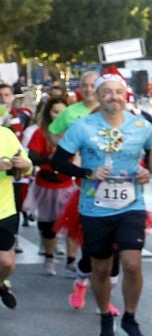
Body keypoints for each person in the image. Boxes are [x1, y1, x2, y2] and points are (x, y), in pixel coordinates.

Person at [51, 73, 152, 336]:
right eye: (107, 92)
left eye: (118, 92)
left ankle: (130, 318)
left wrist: (148, 174)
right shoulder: (82, 127)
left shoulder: (142, 126)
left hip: (131, 204)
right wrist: (88, 171)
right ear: (98, 96)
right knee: (100, 268)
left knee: (132, 263)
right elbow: (58, 161)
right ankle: (104, 316)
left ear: (126, 96)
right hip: (95, 207)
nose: (113, 97)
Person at [24, 91, 78, 275]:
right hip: (46, 185)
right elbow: (32, 157)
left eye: (63, 112)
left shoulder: (75, 132)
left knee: (72, 223)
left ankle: (71, 260)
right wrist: (51, 158)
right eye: (55, 112)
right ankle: (49, 257)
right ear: (49, 113)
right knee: (48, 224)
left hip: (67, 185)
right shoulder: (41, 133)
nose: (59, 116)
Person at [0, 120, 25, 309]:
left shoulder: (6, 134)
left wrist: (23, 164)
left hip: (4, 209)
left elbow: (26, 163)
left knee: (7, 263)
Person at [48, 71, 98, 141]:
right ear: (80, 88)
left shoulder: (108, 110)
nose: (88, 89)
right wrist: (63, 149)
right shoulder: (68, 112)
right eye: (84, 86)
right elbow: (51, 133)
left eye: (93, 86)